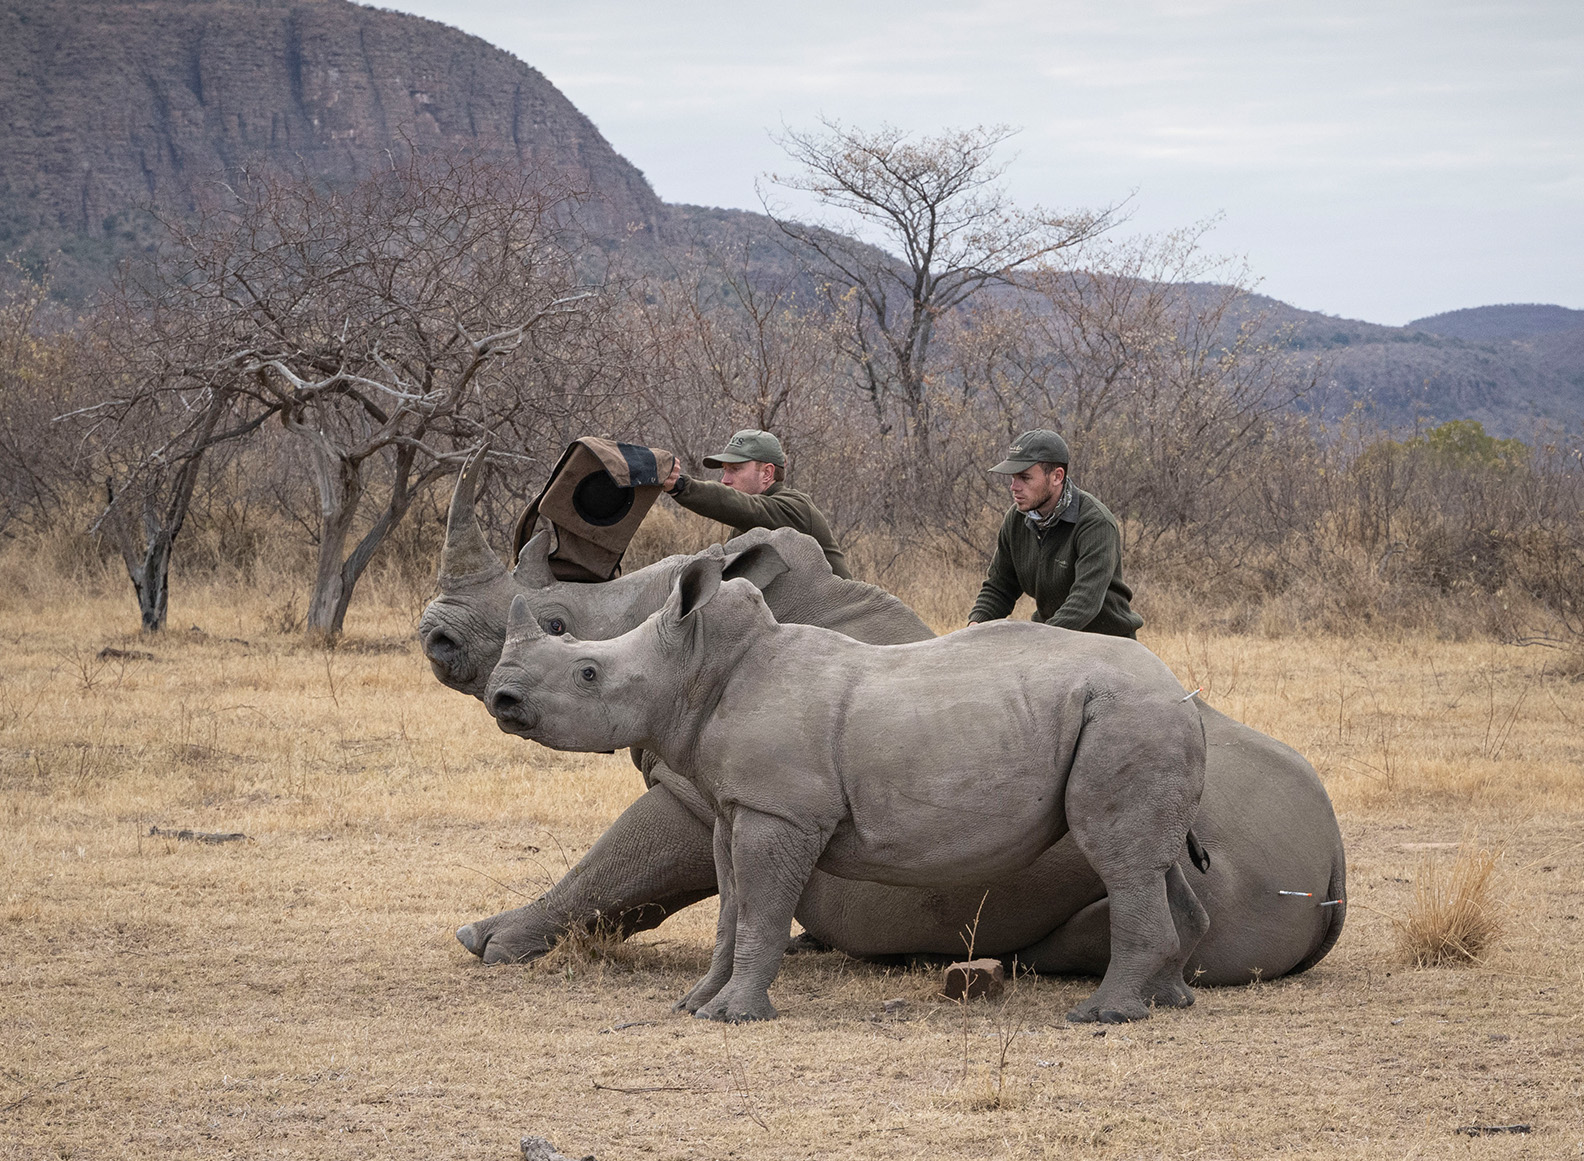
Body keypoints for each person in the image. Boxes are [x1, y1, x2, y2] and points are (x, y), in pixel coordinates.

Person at [968, 429, 1143, 638]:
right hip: (1051, 634)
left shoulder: (1095, 523)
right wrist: (975, 627)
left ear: (1057, 476)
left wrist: (1039, 640)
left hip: (1105, 642)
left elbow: (1084, 603)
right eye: (1013, 477)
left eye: (1024, 477)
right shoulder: (1016, 519)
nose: (1014, 487)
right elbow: (1000, 587)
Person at [662, 429, 852, 580]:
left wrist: (679, 486)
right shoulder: (746, 524)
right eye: (725, 470)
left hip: (844, 624)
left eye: (735, 469)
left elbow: (748, 509)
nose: (725, 480)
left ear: (767, 473)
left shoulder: (795, 509)